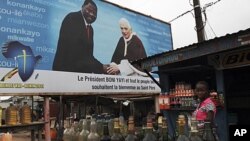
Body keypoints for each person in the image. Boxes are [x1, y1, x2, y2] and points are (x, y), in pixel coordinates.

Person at [53, 0, 106, 74]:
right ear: (82, 7)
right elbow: (78, 52)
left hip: (80, 75)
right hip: (65, 72)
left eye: (94, 13)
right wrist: (101, 67)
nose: (91, 14)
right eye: (89, 10)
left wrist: (102, 68)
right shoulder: (72, 18)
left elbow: (88, 55)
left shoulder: (90, 29)